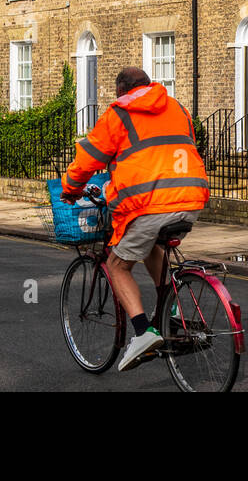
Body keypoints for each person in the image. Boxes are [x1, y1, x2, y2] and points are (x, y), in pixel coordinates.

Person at [60, 66, 209, 372]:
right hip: (191, 198)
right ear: (148, 85)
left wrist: (70, 189)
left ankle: (142, 332)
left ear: (121, 92)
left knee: (117, 264)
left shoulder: (119, 113)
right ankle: (172, 308)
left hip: (149, 203)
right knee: (152, 244)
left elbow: (89, 158)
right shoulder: (177, 107)